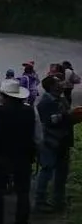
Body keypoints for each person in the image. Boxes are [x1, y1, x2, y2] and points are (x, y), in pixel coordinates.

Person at [0, 78, 42, 224]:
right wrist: (36, 151)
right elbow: (38, 137)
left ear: (5, 96)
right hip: (23, 156)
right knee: (23, 193)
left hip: (1, 155)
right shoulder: (32, 111)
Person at [35, 75, 77, 211]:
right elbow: (50, 121)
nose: (61, 84)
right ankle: (40, 200)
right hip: (50, 141)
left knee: (62, 171)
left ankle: (58, 200)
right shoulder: (45, 103)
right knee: (47, 170)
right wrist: (69, 115)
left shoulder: (62, 99)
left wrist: (74, 117)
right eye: (58, 82)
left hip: (63, 140)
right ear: (51, 86)